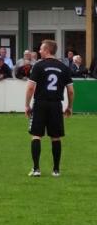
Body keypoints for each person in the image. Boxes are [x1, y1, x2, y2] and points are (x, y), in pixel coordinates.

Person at [25, 39, 74, 177]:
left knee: (36, 135)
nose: (39, 51)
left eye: (41, 49)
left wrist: (26, 105)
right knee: (56, 137)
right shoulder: (64, 67)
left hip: (40, 103)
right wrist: (69, 107)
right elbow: (70, 91)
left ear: (47, 50)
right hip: (56, 105)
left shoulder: (38, 66)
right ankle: (56, 170)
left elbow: (30, 88)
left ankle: (36, 169)